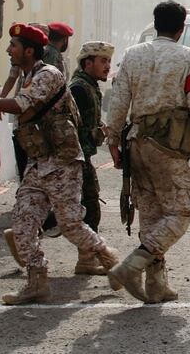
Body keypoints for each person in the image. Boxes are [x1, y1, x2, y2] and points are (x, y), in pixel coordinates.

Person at [0, 23, 121, 304]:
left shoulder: (48, 74)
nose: (9, 50)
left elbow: (19, 106)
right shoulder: (29, 75)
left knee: (71, 225)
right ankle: (36, 281)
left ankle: (110, 258)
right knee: (22, 223)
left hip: (62, 162)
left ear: (29, 50)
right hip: (39, 162)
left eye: (14, 46)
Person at [105, 1, 190, 303]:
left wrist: (113, 141)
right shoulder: (188, 57)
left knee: (152, 213)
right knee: (184, 209)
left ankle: (156, 284)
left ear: (155, 24)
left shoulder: (131, 55)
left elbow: (118, 100)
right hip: (167, 145)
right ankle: (131, 266)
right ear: (181, 29)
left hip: (136, 142)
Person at [69, 41, 115, 273]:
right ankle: (87, 259)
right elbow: (79, 128)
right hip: (76, 157)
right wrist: (101, 134)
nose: (107, 66)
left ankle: (86, 259)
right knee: (86, 207)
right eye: (103, 61)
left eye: (108, 61)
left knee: (81, 206)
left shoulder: (90, 85)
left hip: (81, 155)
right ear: (88, 63)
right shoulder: (80, 88)